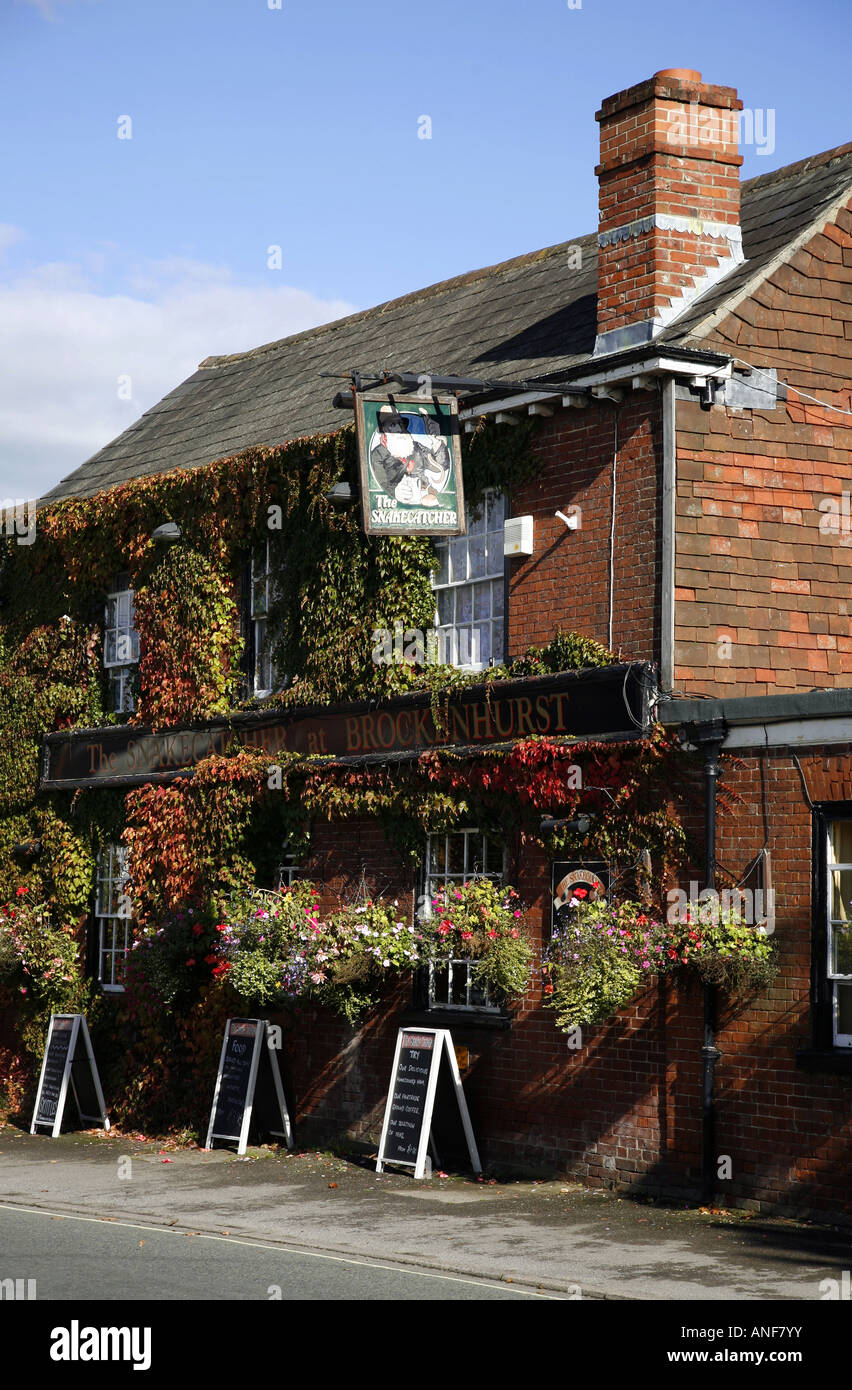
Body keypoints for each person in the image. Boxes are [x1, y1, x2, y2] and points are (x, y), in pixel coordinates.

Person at [369, 405, 451, 506]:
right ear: (384, 430)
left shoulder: (415, 447)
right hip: (397, 505)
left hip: (426, 495)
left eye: (400, 423)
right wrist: (394, 491)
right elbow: (380, 482)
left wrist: (436, 442)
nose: (399, 428)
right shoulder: (378, 454)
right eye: (393, 425)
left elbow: (440, 466)